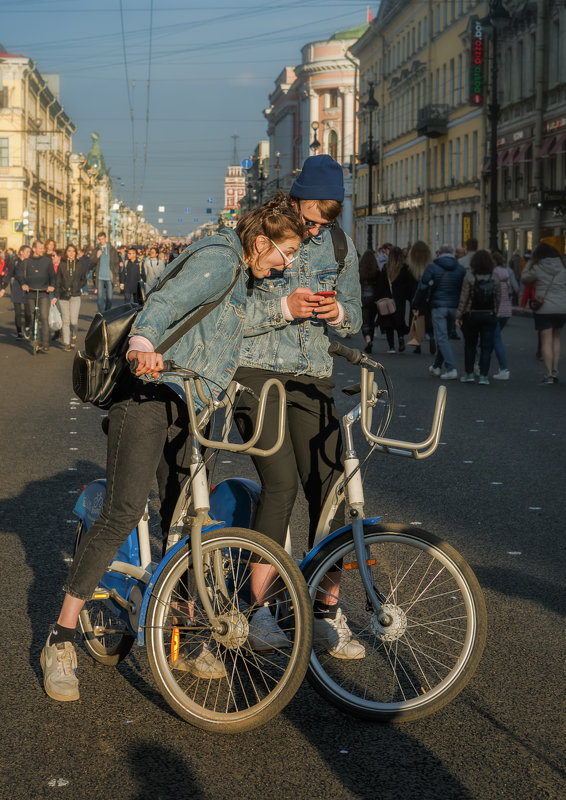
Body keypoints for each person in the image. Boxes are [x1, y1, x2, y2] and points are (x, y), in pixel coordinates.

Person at [40, 193, 304, 702]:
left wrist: (286, 308)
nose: (286, 264)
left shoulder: (243, 274)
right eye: (284, 254)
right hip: (147, 396)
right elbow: (163, 304)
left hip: (189, 405)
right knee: (122, 512)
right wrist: (143, 343)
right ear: (260, 241)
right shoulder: (219, 257)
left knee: (185, 521)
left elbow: (231, 326)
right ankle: (62, 638)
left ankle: (181, 633)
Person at [234, 154, 365, 659]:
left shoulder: (339, 244)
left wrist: (337, 311)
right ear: (293, 198)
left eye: (323, 223)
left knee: (330, 487)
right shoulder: (261, 235)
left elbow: (353, 316)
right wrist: (283, 308)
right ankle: (258, 608)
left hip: (313, 375)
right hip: (256, 371)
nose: (313, 231)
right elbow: (232, 314)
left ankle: (323, 609)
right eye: (309, 219)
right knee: (282, 483)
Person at [413, 244, 465, 379]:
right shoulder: (460, 268)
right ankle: (436, 367)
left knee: (441, 337)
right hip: (454, 306)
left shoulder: (432, 267)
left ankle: (451, 368)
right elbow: (463, 289)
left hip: (438, 306)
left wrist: (416, 303)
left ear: (439, 253)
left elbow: (422, 287)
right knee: (445, 337)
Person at [521, 242, 566, 384]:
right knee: (556, 338)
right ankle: (555, 370)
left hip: (544, 308)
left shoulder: (538, 267)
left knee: (546, 340)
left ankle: (548, 375)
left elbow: (524, 278)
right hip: (561, 308)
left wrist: (530, 263)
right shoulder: (562, 268)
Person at [456, 250, 501, 385]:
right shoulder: (495, 277)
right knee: (486, 346)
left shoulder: (469, 276)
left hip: (471, 314)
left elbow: (463, 298)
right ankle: (483, 376)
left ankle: (469, 374)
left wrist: (459, 315)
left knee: (470, 345)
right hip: (489, 314)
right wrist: (495, 311)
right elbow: (498, 297)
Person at [14, 240, 56, 352]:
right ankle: (34, 340)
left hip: (43, 292)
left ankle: (45, 341)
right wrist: (23, 284)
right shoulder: (26, 261)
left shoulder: (47, 261)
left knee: (43, 317)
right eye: (40, 248)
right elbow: (19, 274)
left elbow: (52, 276)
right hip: (31, 292)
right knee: (33, 317)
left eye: (43, 248)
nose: (43, 250)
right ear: (34, 249)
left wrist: (51, 286)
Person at [377, 245, 416, 354]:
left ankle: (391, 347)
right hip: (400, 299)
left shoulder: (386, 267)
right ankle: (401, 338)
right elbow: (410, 285)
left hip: (387, 298)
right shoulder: (405, 268)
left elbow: (380, 285)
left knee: (388, 322)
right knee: (399, 320)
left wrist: (379, 297)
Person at [491, 251, 519, 380]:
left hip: (496, 309)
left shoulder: (492, 272)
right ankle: (480, 363)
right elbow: (516, 288)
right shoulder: (508, 272)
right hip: (506, 310)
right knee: (493, 336)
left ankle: (504, 369)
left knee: (495, 338)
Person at [56, 244, 88, 351]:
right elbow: (58, 281)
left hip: (75, 295)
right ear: (66, 253)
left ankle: (74, 336)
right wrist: (56, 295)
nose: (71, 253)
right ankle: (66, 342)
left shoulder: (80, 265)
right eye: (69, 251)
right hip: (63, 295)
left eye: (73, 251)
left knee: (73, 321)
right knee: (66, 320)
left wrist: (78, 286)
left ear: (75, 253)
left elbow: (84, 279)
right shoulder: (62, 265)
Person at [407, 240, 435, 355]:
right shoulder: (431, 266)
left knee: (415, 318)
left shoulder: (410, 268)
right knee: (428, 318)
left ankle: (417, 344)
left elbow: (407, 285)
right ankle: (431, 336)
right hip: (428, 296)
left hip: (414, 296)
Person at [0, 244, 32, 339]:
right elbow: (9, 275)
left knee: (28, 311)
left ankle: (27, 326)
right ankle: (19, 332)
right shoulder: (15, 262)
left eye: (30, 252)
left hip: (28, 289)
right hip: (17, 288)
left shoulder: (30, 262)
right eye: (27, 252)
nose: (29, 254)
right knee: (17, 312)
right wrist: (3, 288)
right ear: (21, 252)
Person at [90, 231, 120, 313]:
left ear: (105, 238)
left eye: (102, 239)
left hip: (109, 277)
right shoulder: (96, 250)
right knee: (100, 297)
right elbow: (91, 263)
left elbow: (116, 262)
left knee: (109, 298)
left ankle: (107, 312)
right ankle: (101, 313)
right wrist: (97, 256)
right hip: (100, 277)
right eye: (99, 239)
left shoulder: (112, 249)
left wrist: (116, 273)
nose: (101, 241)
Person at [358, 249, 379, 353]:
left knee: (364, 321)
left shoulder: (360, 270)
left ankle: (367, 339)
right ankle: (371, 339)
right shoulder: (376, 270)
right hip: (374, 300)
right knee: (371, 322)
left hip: (363, 299)